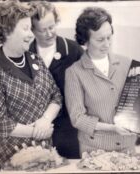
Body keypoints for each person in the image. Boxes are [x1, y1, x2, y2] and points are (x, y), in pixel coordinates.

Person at [0, 0, 62, 171]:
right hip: (12, 158)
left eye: (31, 28)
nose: (32, 35)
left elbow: (56, 96)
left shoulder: (37, 60)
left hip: (45, 154)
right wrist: (37, 132)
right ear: (7, 31)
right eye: (25, 29)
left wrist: (46, 120)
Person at [65, 7, 137, 155]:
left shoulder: (127, 63)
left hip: (128, 147)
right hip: (94, 151)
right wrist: (112, 128)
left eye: (109, 37)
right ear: (85, 41)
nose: (107, 44)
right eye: (100, 39)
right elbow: (77, 118)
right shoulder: (74, 72)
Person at [28, 1, 84, 159]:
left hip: (69, 131)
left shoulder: (73, 50)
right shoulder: (25, 53)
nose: (49, 33)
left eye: (52, 27)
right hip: (37, 131)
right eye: (42, 30)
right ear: (32, 30)